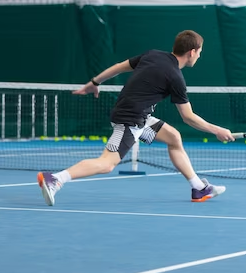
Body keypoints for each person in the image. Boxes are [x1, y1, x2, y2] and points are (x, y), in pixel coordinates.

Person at [37, 30, 235, 206]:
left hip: (138, 116)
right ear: (192, 51)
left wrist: (94, 82)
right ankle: (55, 178)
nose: (200, 55)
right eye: (200, 52)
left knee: (173, 137)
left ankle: (199, 188)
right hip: (129, 120)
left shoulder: (153, 55)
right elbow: (188, 117)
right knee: (107, 164)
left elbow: (119, 67)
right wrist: (217, 130)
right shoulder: (175, 77)